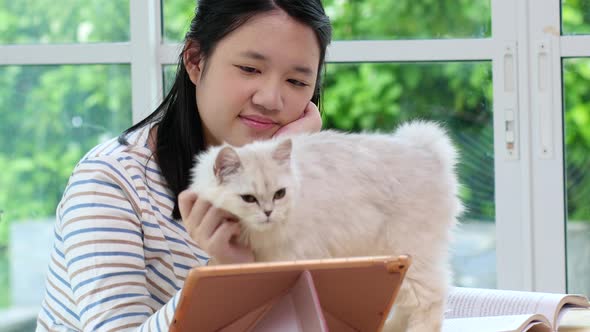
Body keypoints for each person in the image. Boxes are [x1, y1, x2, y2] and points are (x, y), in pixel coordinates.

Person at [36, 0, 332, 330]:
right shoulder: (110, 182)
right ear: (194, 60)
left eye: (296, 82)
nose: (271, 99)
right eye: (250, 69)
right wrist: (221, 273)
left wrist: (291, 153)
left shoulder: (295, 187)